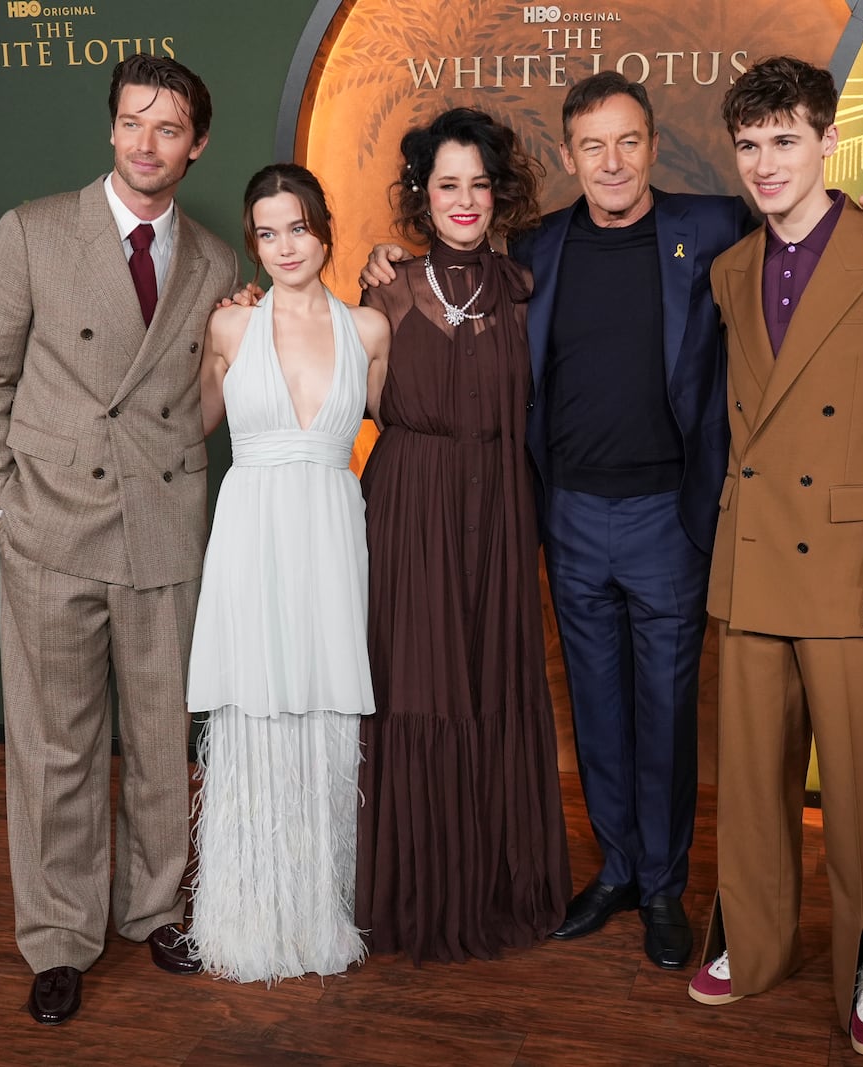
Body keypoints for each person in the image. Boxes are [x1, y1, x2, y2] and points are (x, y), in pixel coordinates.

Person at [366, 73, 863, 971]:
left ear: (653, 146)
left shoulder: (708, 227)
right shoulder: (533, 250)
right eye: (592, 145)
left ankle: (664, 885)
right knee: (594, 706)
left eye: (628, 142)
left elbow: (807, 235)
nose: (612, 162)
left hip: (670, 512)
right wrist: (381, 261)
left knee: (665, 710)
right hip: (570, 511)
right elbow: (439, 282)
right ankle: (617, 867)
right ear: (570, 156)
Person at [0, 54, 238, 1025]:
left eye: (167, 128)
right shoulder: (34, 232)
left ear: (195, 143)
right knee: (56, 747)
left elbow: (195, 400)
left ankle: (154, 908)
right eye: (131, 122)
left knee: (162, 742)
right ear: (110, 129)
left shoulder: (215, 260)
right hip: (50, 529)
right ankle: (61, 938)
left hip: (163, 528)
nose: (146, 143)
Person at [684, 56, 863, 1062]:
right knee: (749, 780)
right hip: (752, 557)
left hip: (852, 568)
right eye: (748, 145)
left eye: (784, 140)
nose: (764, 163)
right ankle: (748, 942)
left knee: (862, 787)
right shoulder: (730, 269)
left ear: (829, 141)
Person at [356, 107, 571, 962]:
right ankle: (413, 888)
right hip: (410, 504)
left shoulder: (526, 287)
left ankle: (495, 880)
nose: (466, 199)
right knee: (417, 687)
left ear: (500, 191)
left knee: (493, 684)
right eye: (448, 184)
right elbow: (328, 386)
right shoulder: (382, 288)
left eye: (480, 183)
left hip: (503, 507)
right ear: (422, 192)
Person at [183, 164, 391, 983]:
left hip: (333, 536)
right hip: (252, 534)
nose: (284, 246)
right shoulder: (230, 328)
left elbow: (411, 429)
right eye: (266, 233)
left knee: (323, 706)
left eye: (297, 227)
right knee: (256, 708)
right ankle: (242, 914)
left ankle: (317, 908)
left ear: (324, 230)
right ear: (253, 243)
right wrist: (206, 337)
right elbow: (196, 423)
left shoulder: (370, 330)